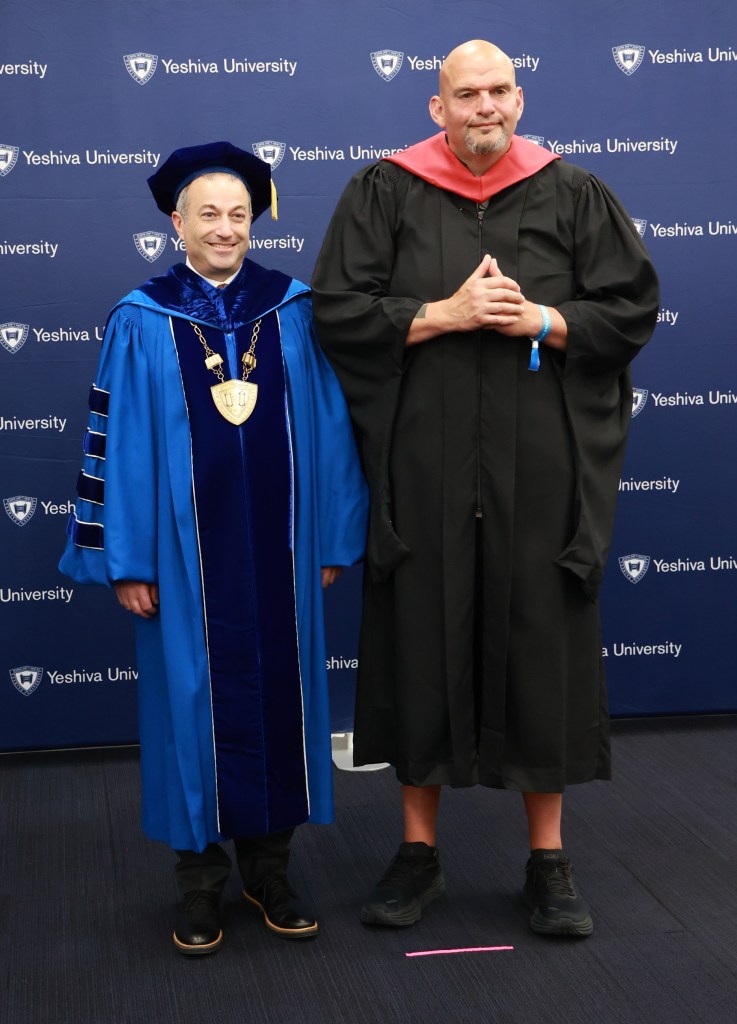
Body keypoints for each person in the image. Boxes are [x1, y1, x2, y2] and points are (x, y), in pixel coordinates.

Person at [311, 40, 659, 937]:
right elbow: (337, 311)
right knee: (420, 643)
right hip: (422, 470)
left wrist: (541, 317)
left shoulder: (573, 191)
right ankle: (416, 852)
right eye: (465, 94)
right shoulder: (383, 191)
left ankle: (548, 860)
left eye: (499, 90)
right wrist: (440, 315)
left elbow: (629, 309)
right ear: (437, 109)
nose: (484, 108)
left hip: (537, 472)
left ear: (518, 95)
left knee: (540, 646)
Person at [60, 141, 368, 955]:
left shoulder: (292, 307)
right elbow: (118, 445)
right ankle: (198, 886)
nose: (226, 229)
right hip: (182, 563)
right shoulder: (141, 318)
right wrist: (127, 560)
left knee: (280, 701)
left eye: (239, 214)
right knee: (186, 711)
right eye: (209, 215)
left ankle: (271, 872)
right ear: (176, 223)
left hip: (281, 552)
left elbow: (333, 431)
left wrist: (334, 536)